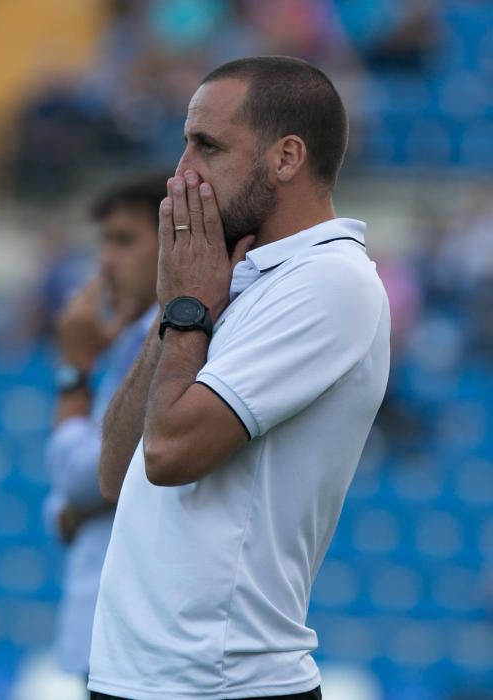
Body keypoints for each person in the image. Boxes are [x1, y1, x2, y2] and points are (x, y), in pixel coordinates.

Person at [88, 56, 391, 700]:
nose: (181, 173)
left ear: (286, 158)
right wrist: (179, 304)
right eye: (183, 144)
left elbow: (169, 455)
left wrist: (186, 308)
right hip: (138, 679)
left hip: (227, 683)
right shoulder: (231, 280)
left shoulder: (329, 281)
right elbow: (118, 474)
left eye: (208, 146)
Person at [43, 175, 164, 680]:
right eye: (104, 242)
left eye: (125, 240)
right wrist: (68, 508)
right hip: (107, 637)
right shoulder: (128, 339)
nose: (106, 261)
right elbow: (66, 500)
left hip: (134, 645)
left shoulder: (167, 341)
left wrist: (74, 370)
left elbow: (89, 477)